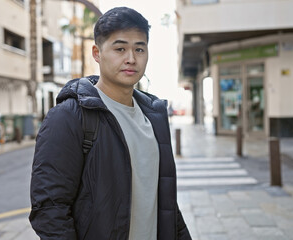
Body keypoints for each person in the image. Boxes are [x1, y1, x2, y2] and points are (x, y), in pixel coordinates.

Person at [29, 7, 191, 240]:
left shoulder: (154, 118)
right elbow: (49, 208)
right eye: (120, 48)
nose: (131, 58)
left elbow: (165, 203)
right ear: (97, 53)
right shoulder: (69, 117)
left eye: (139, 49)